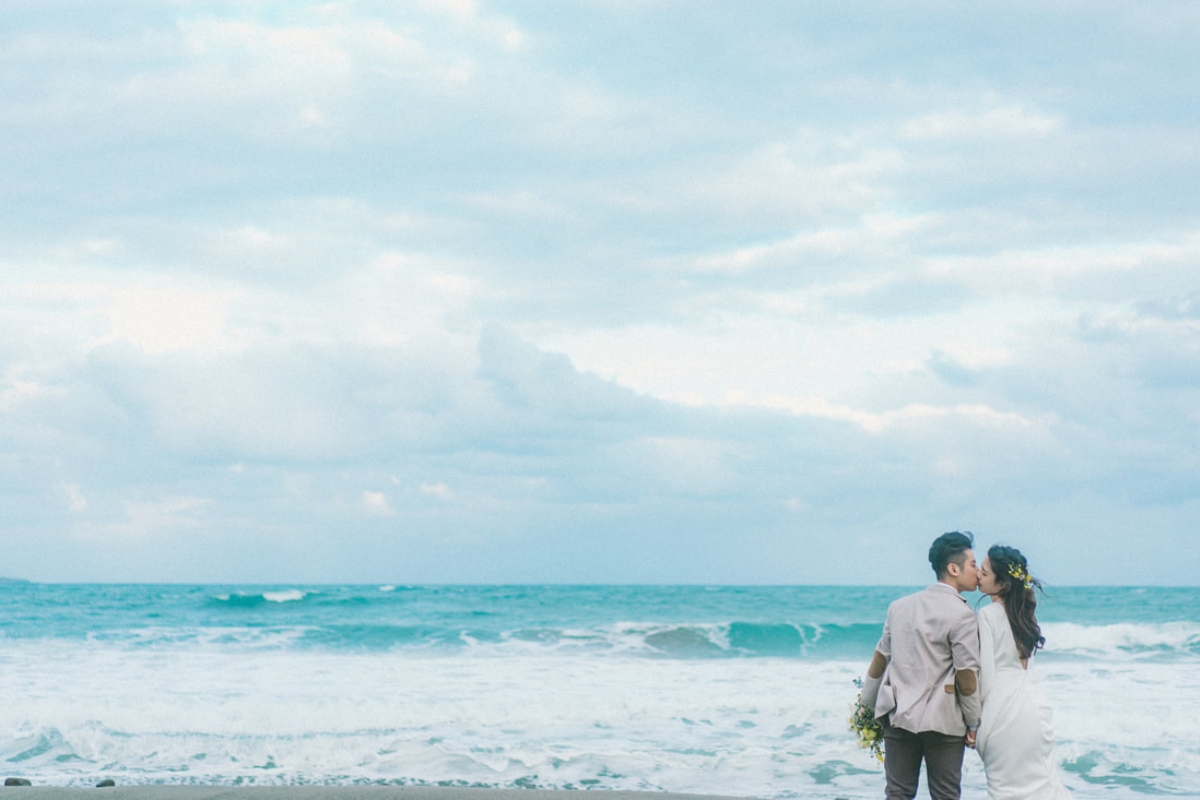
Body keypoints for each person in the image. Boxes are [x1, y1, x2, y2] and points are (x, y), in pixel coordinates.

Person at [860, 532, 982, 800]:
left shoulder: (899, 606)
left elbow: (880, 658)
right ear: (953, 568)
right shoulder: (962, 614)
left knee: (898, 793)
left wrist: (866, 707)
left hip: (898, 714)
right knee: (945, 795)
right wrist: (973, 722)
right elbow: (966, 676)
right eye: (973, 564)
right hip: (944, 721)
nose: (978, 570)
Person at [974, 545, 1072, 799]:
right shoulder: (1024, 614)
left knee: (1005, 790)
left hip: (1004, 713)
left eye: (984, 572)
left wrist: (973, 723)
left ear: (1002, 583)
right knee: (1040, 784)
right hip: (1036, 710)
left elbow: (985, 675)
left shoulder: (987, 614)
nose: (978, 575)